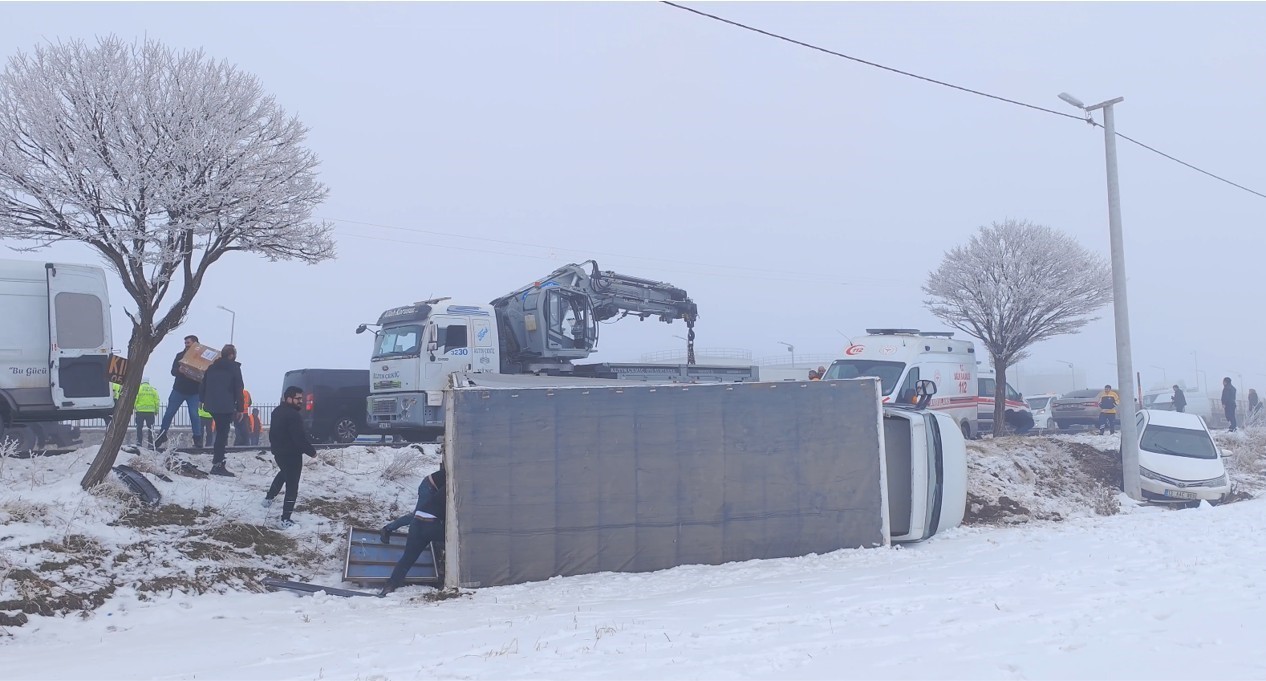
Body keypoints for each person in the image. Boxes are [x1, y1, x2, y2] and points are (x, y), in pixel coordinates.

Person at [379, 466, 447, 596]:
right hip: (432, 524)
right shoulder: (451, 489)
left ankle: (390, 586)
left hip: (417, 524)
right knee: (455, 541)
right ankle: (444, 577)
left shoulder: (440, 492)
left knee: (407, 558)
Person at [263, 386, 318, 528]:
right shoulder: (293, 415)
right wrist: (312, 452)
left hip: (279, 453)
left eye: (301, 398)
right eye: (298, 398)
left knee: (283, 474)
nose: (301, 401)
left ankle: (268, 498)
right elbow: (299, 438)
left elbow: (273, 434)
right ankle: (285, 519)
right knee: (292, 486)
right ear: (288, 398)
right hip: (292, 455)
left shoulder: (277, 411)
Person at [199, 344, 245, 476]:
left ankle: (218, 461)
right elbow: (238, 388)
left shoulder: (211, 368)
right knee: (222, 434)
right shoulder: (234, 368)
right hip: (226, 406)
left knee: (220, 433)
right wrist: (240, 408)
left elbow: (203, 385)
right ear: (231, 355)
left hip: (212, 405)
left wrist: (202, 400)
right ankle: (218, 464)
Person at [155, 335, 205, 449]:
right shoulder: (180, 356)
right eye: (185, 343)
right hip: (179, 390)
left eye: (188, 343)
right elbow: (173, 371)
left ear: (196, 344)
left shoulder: (201, 358)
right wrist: (179, 370)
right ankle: (162, 435)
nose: (186, 345)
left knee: (194, 415)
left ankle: (197, 438)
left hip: (194, 392)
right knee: (169, 413)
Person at [133, 378, 160, 447]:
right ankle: (150, 444)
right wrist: (156, 410)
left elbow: (135, 399)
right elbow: (157, 401)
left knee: (139, 428)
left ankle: (139, 442)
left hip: (140, 412)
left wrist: (134, 407)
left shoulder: (139, 389)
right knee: (151, 428)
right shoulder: (153, 390)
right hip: (150, 412)